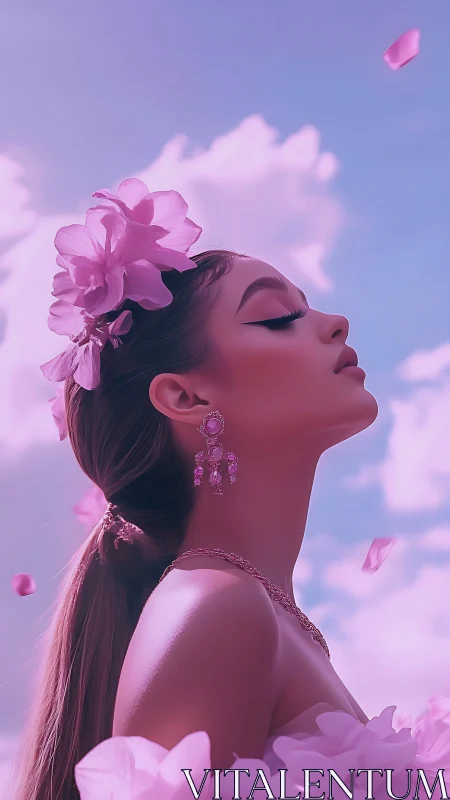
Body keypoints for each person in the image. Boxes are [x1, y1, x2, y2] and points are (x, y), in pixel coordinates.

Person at [13, 177, 380, 799]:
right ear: (186, 396)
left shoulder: (263, 616)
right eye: (278, 317)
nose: (335, 322)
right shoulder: (217, 607)